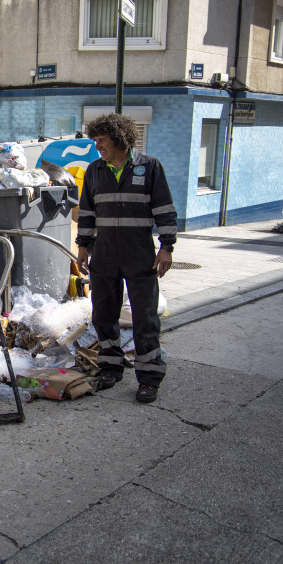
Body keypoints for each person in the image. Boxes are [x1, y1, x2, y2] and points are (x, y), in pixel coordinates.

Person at [75, 113, 177, 404]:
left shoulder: (150, 166)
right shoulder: (95, 170)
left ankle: (149, 378)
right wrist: (83, 246)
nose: (97, 146)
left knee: (145, 317)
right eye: (96, 140)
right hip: (104, 253)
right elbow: (87, 211)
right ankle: (110, 367)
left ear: (119, 139)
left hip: (139, 254)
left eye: (102, 140)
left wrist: (167, 246)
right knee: (103, 314)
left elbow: (164, 209)